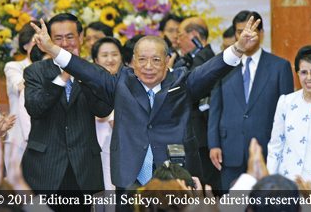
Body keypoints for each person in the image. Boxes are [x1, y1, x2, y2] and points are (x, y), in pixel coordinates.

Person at [30, 15, 261, 190]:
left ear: (168, 60)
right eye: (141, 59)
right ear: (132, 61)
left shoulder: (182, 82)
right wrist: (52, 48)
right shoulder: (120, 81)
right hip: (130, 176)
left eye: (155, 60)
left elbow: (212, 69)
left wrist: (239, 47)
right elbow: (86, 69)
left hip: (176, 176)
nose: (148, 67)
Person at [22, 13, 112, 211]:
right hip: (44, 167)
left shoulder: (94, 71)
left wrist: (81, 73)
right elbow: (35, 108)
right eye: (58, 38)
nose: (65, 43)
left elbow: (103, 110)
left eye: (70, 37)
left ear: (81, 38)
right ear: (49, 41)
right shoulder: (35, 71)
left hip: (83, 167)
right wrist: (64, 76)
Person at [208, 10, 294, 191]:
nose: (245, 36)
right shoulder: (225, 64)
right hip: (229, 150)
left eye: (251, 31)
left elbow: (287, 114)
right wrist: (214, 144)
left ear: (261, 33)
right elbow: (215, 107)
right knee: (232, 205)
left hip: (267, 150)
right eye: (240, 32)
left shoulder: (280, 66)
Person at [267, 45, 311, 190]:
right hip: (285, 184)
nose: (309, 78)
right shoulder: (285, 102)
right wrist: (269, 184)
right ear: (298, 73)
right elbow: (275, 146)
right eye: (304, 72)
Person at [176, 17, 221, 191]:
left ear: (193, 35)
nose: (177, 40)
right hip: (196, 133)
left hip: (201, 133)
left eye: (180, 35)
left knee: (205, 184)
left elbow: (187, 91)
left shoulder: (204, 58)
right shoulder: (193, 57)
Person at [3, 21, 41, 171]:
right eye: (36, 40)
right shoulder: (13, 66)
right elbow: (21, 88)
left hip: (46, 140)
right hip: (18, 141)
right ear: (25, 45)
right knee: (17, 190)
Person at [91, 36, 123, 190]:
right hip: (96, 151)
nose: (110, 59)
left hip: (122, 150)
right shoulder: (90, 85)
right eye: (104, 55)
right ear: (96, 60)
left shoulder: (129, 82)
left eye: (115, 54)